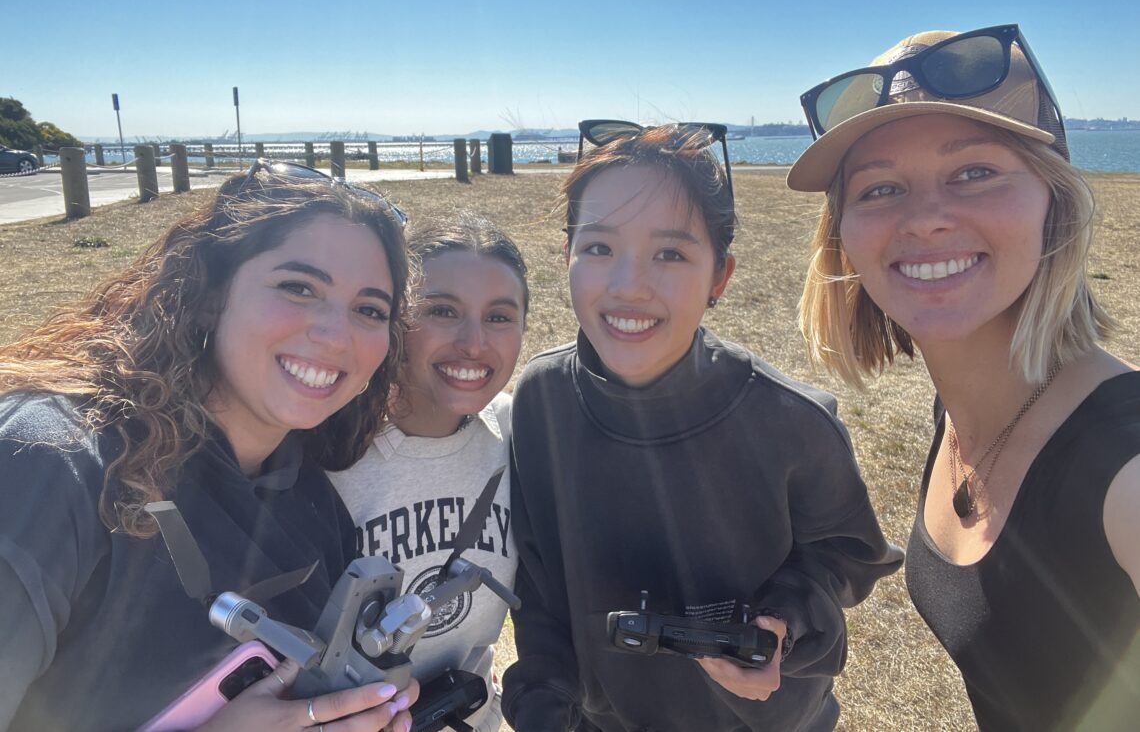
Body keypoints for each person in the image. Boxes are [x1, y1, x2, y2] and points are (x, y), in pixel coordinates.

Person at [793, 24, 1140, 729]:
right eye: (881, 187)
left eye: (975, 172)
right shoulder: (956, 413)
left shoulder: (1124, 470)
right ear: (843, 235)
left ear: (1055, 200)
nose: (925, 219)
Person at [502, 122, 903, 732]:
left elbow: (844, 558)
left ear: (721, 276)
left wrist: (783, 623)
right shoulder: (542, 399)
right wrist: (542, 694)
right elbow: (537, 576)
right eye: (599, 248)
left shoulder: (793, 421)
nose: (628, 285)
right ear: (568, 258)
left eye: (670, 253)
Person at [0, 162, 419, 732]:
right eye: (299, 287)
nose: (336, 334)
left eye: (370, 310)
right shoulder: (50, 462)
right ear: (206, 295)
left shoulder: (316, 507)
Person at [330, 213, 528, 732]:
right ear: (395, 317)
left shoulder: (523, 435)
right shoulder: (324, 447)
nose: (474, 342)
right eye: (442, 310)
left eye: (500, 317)